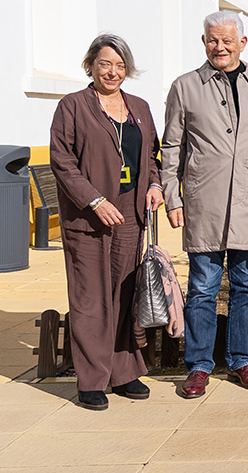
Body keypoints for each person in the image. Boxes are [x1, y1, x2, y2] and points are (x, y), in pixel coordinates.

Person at [162, 10, 248, 398]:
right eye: (213, 40)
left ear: (242, 43)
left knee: (247, 287)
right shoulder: (185, 86)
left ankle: (241, 360)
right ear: (203, 42)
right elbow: (172, 147)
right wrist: (172, 195)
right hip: (205, 203)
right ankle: (199, 365)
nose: (220, 47)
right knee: (202, 288)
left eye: (227, 41)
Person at [49, 34, 164, 411]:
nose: (113, 71)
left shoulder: (140, 108)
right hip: (89, 216)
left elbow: (151, 154)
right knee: (90, 297)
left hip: (131, 213)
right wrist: (94, 200)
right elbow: (62, 161)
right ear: (90, 66)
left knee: (125, 292)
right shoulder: (73, 106)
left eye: (119, 65)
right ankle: (92, 378)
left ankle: (124, 371)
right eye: (105, 64)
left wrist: (154, 185)